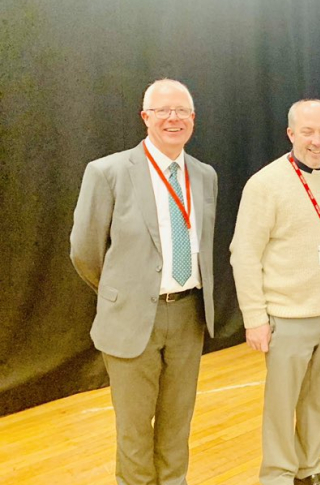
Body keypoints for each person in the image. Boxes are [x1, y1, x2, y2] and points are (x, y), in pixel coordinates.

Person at [70, 79, 217, 485]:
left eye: (182, 111)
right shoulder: (108, 172)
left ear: (193, 119)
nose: (173, 118)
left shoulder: (205, 175)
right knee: (134, 433)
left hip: (188, 316)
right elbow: (85, 251)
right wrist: (123, 291)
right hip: (133, 318)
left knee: (176, 428)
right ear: (145, 117)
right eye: (163, 110)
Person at [230, 99, 320, 485]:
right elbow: (244, 255)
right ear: (290, 134)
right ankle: (278, 475)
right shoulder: (264, 183)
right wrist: (255, 319)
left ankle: (309, 467)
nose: (317, 141)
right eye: (307, 132)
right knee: (282, 406)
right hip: (287, 316)